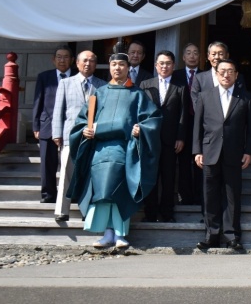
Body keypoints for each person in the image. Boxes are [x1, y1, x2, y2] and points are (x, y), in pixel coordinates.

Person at [67, 52, 162, 249]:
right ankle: (106, 233)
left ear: (128, 68)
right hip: (100, 151)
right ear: (109, 68)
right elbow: (83, 120)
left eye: (121, 65)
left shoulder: (137, 94)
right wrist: (84, 130)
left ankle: (120, 233)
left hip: (124, 149)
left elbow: (152, 120)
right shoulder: (99, 94)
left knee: (120, 192)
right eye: (114, 65)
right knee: (102, 192)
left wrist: (140, 129)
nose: (117, 68)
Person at [193, 59, 251, 251]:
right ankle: (211, 235)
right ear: (216, 74)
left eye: (230, 71)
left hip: (234, 153)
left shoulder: (246, 98)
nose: (226, 75)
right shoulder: (205, 96)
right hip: (209, 152)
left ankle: (232, 236)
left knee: (232, 196)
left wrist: (249, 151)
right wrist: (197, 151)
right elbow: (197, 127)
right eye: (222, 71)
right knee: (210, 195)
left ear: (236, 75)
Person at [51, 50, 106, 222]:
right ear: (77, 63)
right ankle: (61, 210)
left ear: (96, 64)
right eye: (84, 61)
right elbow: (58, 110)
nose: (88, 64)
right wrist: (56, 133)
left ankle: (87, 210)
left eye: (91, 61)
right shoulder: (66, 83)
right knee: (66, 173)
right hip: (70, 136)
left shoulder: (102, 85)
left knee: (90, 175)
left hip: (92, 137)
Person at [140, 50, 186, 222]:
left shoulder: (180, 86)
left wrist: (181, 137)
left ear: (173, 66)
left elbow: (183, 114)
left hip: (170, 139)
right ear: (156, 65)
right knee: (150, 176)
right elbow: (141, 111)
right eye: (161, 63)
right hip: (150, 138)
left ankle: (167, 213)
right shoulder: (145, 84)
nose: (165, 66)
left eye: (168, 63)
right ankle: (150, 213)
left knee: (168, 178)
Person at [32, 44, 74, 203]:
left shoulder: (76, 76)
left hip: (70, 124)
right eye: (59, 57)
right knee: (47, 163)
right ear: (53, 59)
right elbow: (38, 101)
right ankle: (48, 195)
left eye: (65, 57)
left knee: (69, 163)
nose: (62, 60)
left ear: (72, 60)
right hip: (47, 124)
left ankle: (70, 195)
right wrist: (35, 125)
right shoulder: (44, 77)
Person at [173, 42, 202, 206]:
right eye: (189, 53)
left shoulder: (206, 76)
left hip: (200, 125)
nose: (192, 56)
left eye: (195, 53)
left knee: (199, 162)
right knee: (183, 163)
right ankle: (184, 196)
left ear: (200, 57)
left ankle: (199, 196)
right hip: (181, 123)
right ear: (183, 57)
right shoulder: (175, 76)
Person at [191, 41, 245, 108]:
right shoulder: (199, 78)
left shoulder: (238, 77)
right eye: (213, 54)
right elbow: (197, 104)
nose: (217, 57)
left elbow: (241, 103)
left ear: (227, 55)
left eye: (221, 54)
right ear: (208, 56)